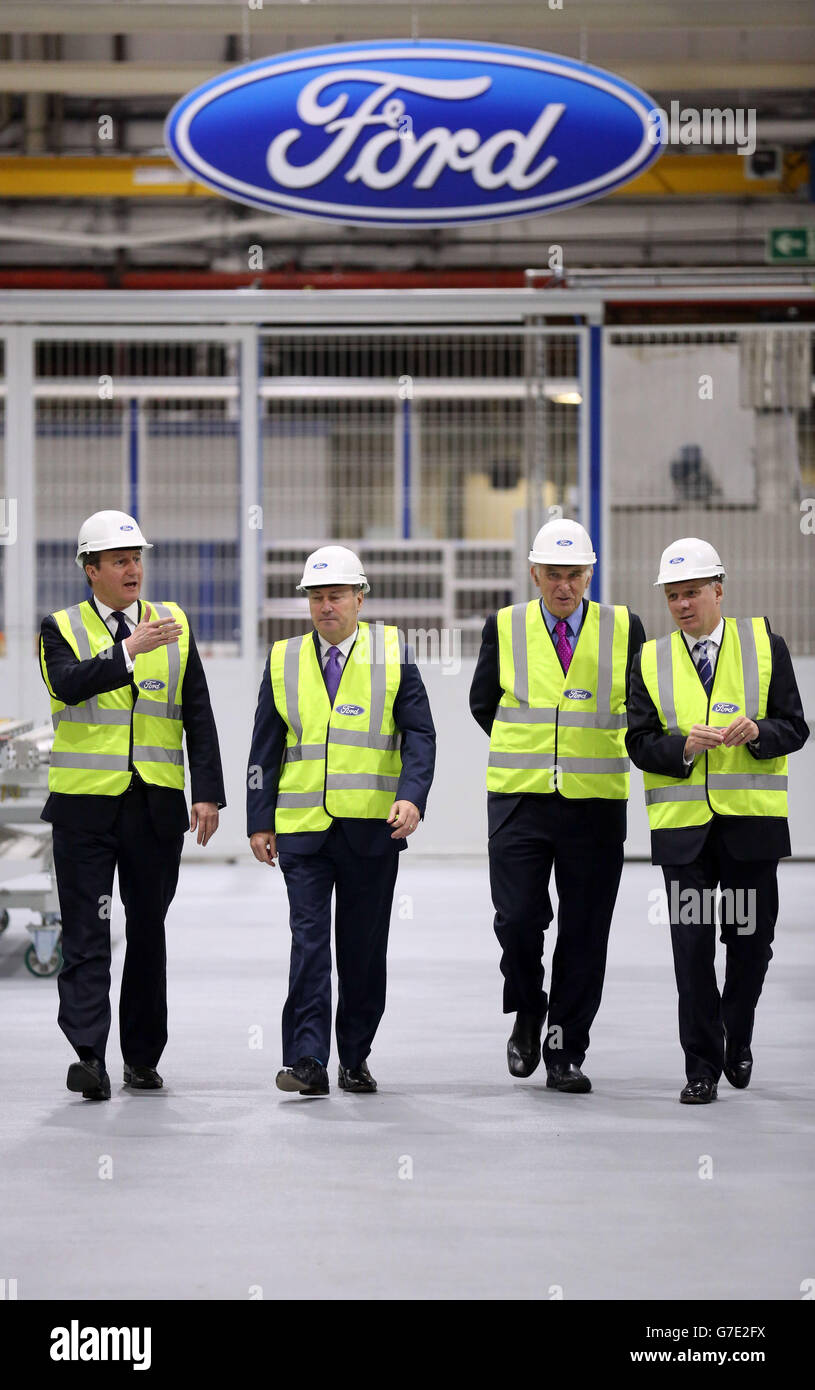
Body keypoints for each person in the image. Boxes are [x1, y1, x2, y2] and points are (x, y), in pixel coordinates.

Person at [39, 510, 225, 1101]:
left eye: (137, 558)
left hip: (154, 809)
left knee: (148, 931)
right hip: (84, 811)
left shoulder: (175, 624)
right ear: (89, 570)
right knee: (88, 932)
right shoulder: (59, 628)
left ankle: (142, 1058)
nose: (133, 569)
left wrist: (207, 792)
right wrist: (127, 651)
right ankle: (89, 1055)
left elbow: (196, 708)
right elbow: (67, 685)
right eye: (119, 560)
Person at [247, 545, 435, 1097]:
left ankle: (355, 1056)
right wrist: (260, 819)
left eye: (336, 595)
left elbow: (421, 734)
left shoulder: (394, 651)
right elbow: (265, 747)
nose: (326, 606)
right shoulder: (283, 659)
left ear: (359, 597)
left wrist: (412, 796)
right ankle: (307, 1060)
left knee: (361, 950)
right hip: (302, 831)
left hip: (372, 830)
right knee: (308, 945)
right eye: (316, 597)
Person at [626, 537, 809, 1104]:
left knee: (751, 942)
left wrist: (759, 733)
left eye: (693, 593)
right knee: (692, 947)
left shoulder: (764, 645)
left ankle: (739, 1032)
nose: (683, 604)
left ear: (718, 591)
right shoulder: (650, 660)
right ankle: (700, 1065)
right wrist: (681, 748)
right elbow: (638, 742)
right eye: (674, 595)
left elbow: (795, 727)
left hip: (749, 830)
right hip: (685, 836)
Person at [470, 517, 645, 1093]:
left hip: (594, 802)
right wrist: (537, 751)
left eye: (574, 575)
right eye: (553, 575)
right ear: (534, 573)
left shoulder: (625, 628)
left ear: (590, 573)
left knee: (586, 931)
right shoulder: (506, 626)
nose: (564, 586)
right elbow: (483, 703)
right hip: (520, 798)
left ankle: (565, 1049)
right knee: (518, 918)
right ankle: (527, 1008)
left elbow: (642, 707)